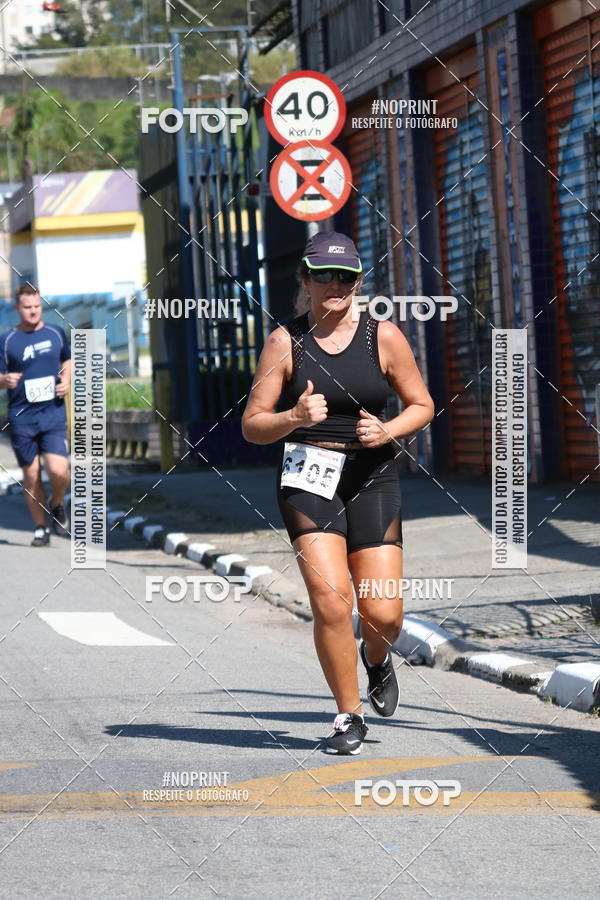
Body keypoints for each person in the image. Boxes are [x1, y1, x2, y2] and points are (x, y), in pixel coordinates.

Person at [242, 231, 434, 754]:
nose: (335, 284)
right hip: (309, 480)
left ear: (358, 280)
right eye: (323, 274)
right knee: (331, 602)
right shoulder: (286, 341)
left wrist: (390, 430)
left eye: (345, 275)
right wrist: (293, 416)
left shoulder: (384, 336)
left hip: (372, 475)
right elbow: (252, 425)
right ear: (305, 280)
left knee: (384, 613)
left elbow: (422, 403)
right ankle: (347, 717)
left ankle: (377, 658)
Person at [0, 284, 71, 546]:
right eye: (27, 307)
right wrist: (4, 379)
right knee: (30, 476)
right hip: (22, 419)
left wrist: (66, 379)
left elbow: (67, 360)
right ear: (18, 308)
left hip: (52, 415)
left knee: (60, 472)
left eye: (37, 306)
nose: (33, 311)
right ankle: (41, 527)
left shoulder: (56, 333)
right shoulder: (7, 340)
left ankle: (57, 502)